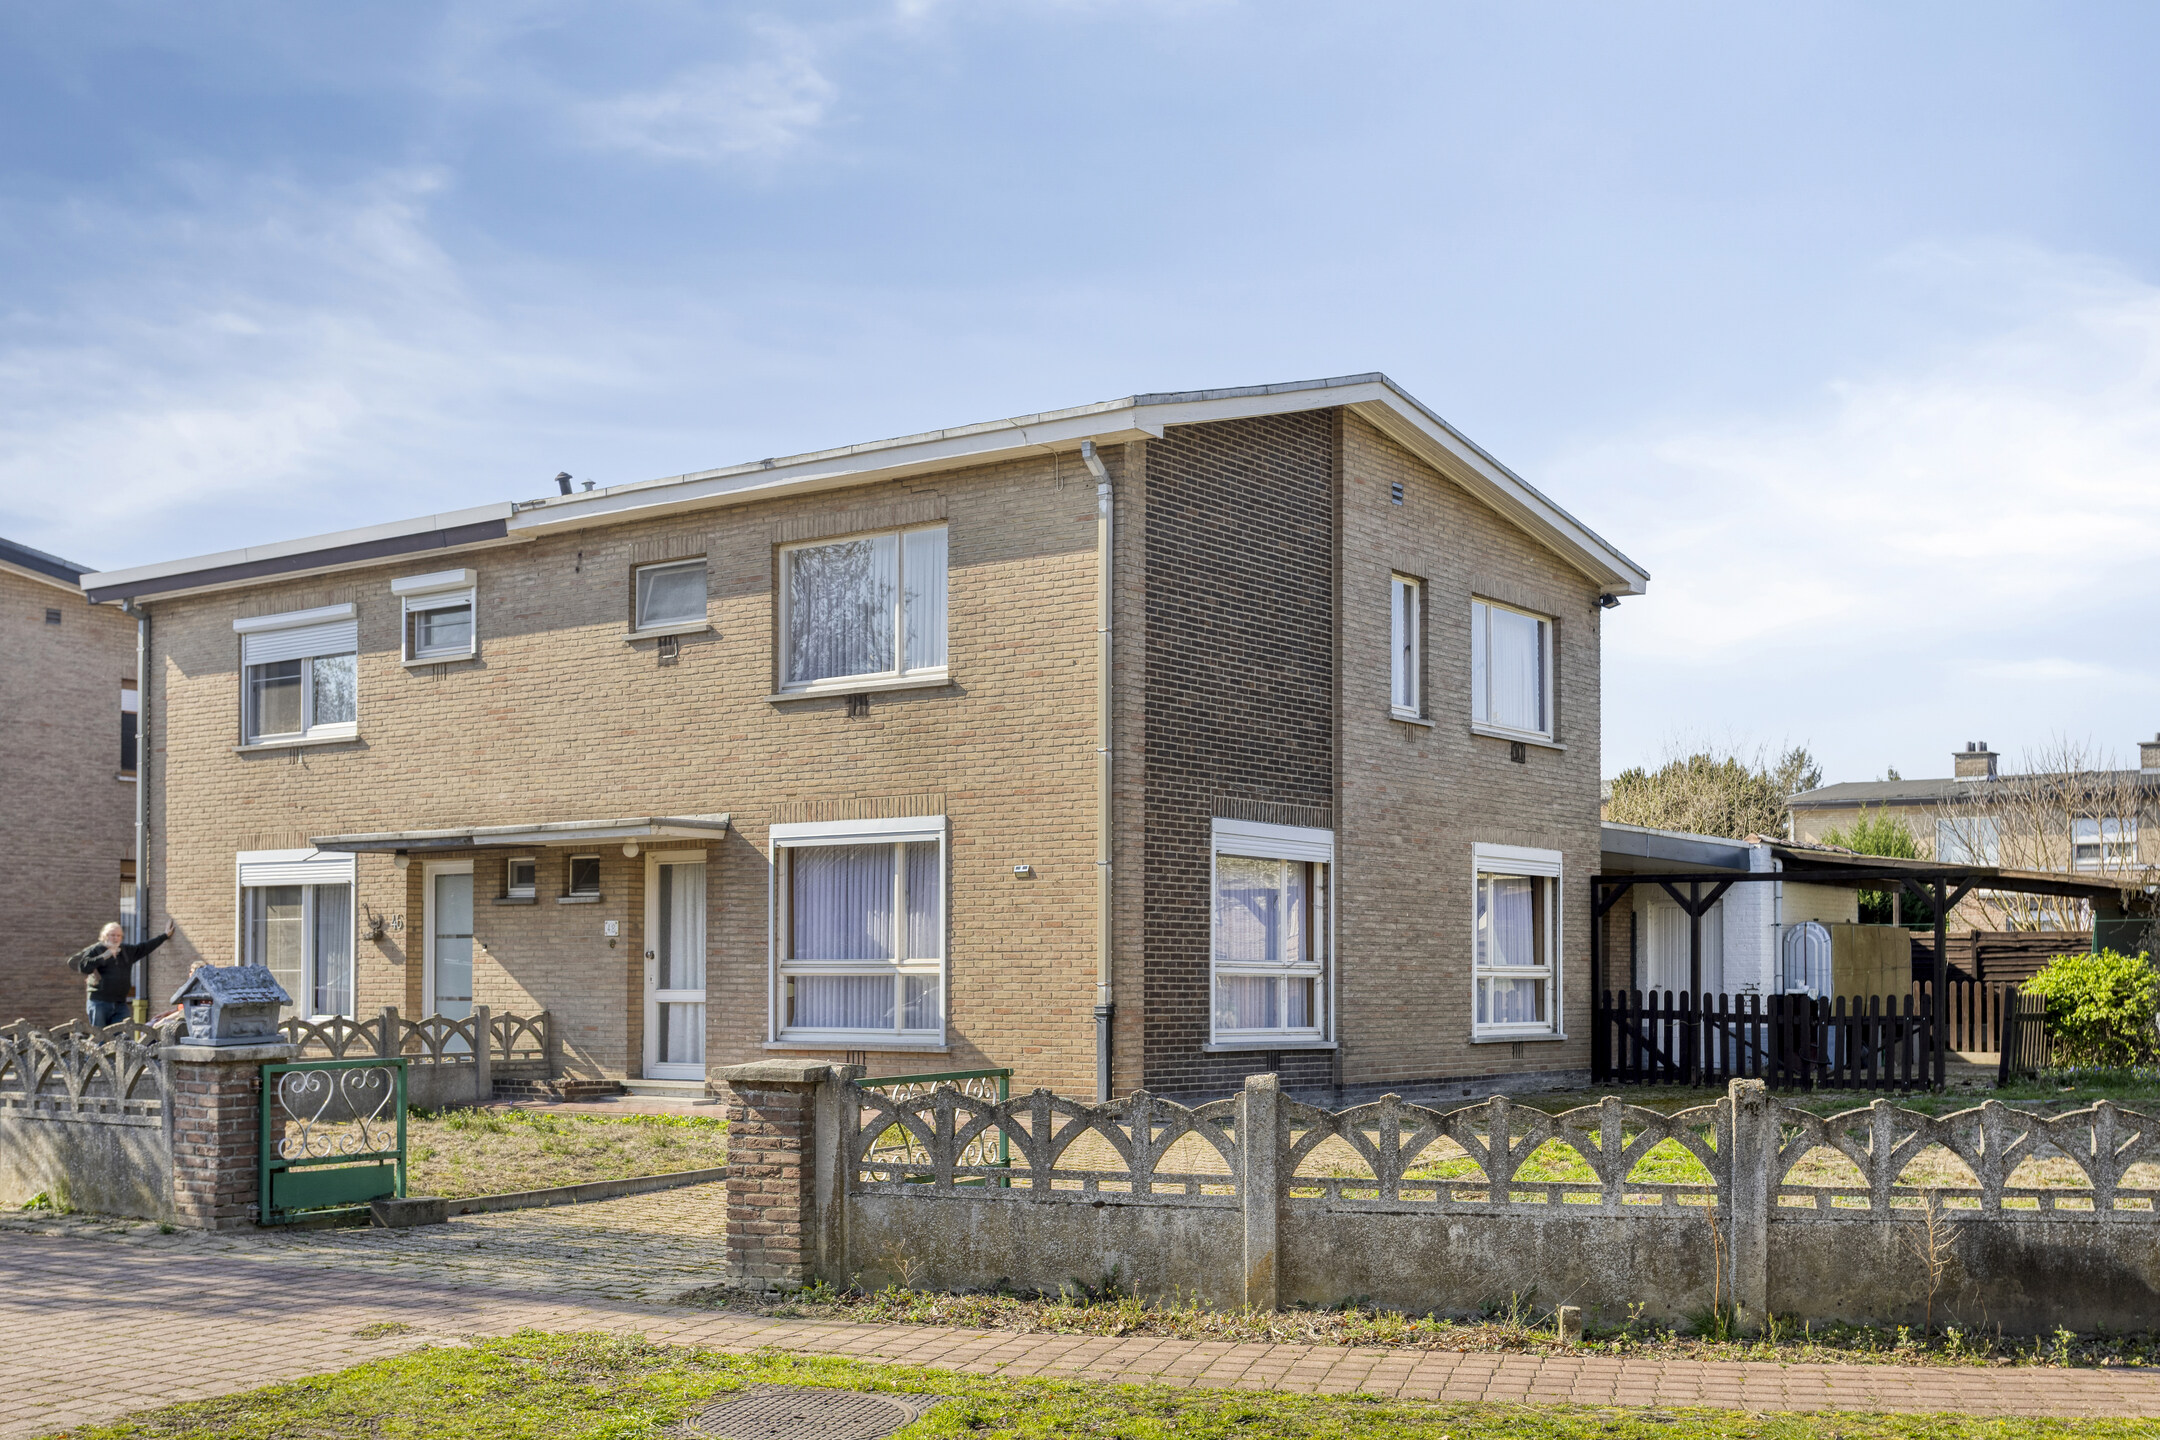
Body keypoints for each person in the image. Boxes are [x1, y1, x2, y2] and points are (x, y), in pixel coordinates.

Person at [68, 919, 175, 1029]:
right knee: (99, 1036)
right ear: (104, 936)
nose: (115, 938)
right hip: (99, 1002)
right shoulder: (96, 949)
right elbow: (80, 965)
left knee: (123, 1034)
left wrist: (165, 935)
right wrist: (104, 956)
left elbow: (144, 947)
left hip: (120, 1003)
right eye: (112, 935)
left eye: (118, 935)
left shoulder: (126, 951)